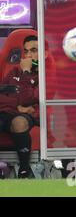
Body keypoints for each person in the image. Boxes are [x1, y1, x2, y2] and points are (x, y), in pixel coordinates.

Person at [0, 35, 42, 178]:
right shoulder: (13, 72)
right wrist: (17, 106)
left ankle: (24, 170)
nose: (29, 55)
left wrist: (26, 72)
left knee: (19, 122)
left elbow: (27, 99)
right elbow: (2, 95)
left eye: (34, 50)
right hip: (7, 113)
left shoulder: (44, 75)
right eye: (26, 51)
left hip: (27, 117)